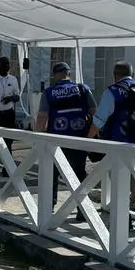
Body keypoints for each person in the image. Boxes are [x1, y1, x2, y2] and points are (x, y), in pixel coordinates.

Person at [87, 60, 135, 226]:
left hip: (118, 146)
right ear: (133, 75)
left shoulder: (112, 92)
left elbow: (99, 120)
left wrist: (87, 140)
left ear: (114, 76)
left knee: (120, 182)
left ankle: (124, 220)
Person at [35, 62, 96, 223]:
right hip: (79, 138)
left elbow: (42, 116)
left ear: (55, 75)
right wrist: (91, 135)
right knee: (79, 173)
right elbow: (94, 112)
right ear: (69, 73)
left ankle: (49, 208)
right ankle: (82, 209)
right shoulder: (82, 88)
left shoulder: (50, 92)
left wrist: (37, 137)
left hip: (56, 140)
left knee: (52, 173)